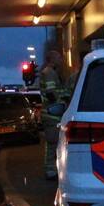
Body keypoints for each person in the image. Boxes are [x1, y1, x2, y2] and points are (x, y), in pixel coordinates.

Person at [39, 50, 66, 180]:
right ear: (52, 59)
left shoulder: (49, 72)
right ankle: (50, 170)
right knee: (52, 143)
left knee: (52, 143)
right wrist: (63, 100)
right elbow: (51, 94)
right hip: (52, 114)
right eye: (59, 57)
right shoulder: (49, 73)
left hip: (52, 113)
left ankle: (51, 169)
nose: (61, 59)